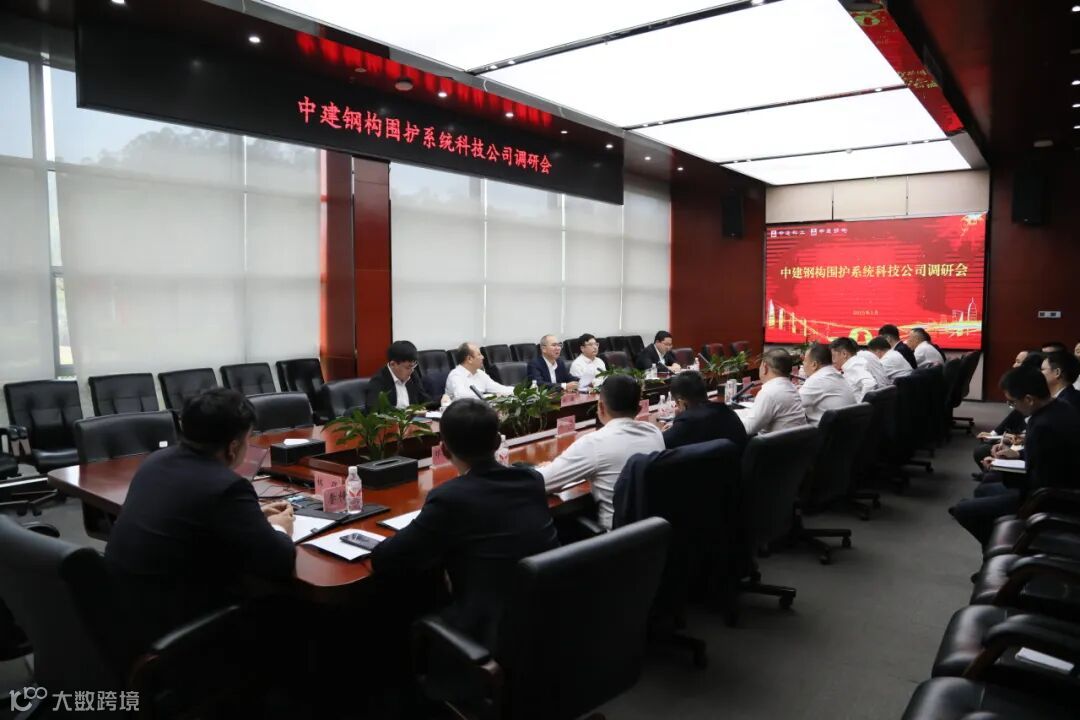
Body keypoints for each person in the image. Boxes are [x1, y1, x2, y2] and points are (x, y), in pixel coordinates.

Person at [105, 388, 296, 655]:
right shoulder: (227, 486)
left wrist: (250, 518)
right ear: (233, 447)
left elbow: (193, 518)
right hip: (177, 630)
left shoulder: (155, 462)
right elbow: (279, 562)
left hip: (120, 614)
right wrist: (279, 527)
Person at [371, 399, 558, 648]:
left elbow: (388, 559)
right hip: (547, 614)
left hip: (495, 632)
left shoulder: (450, 498)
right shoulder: (530, 479)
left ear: (444, 449)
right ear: (497, 442)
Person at [950, 367, 1080, 545]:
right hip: (1056, 487)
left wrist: (1002, 469)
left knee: (964, 510)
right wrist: (1015, 454)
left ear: (1029, 399)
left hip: (1050, 499)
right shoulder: (1060, 407)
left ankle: (1006, 547)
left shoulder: (1042, 425)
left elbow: (1040, 482)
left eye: (1012, 402)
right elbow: (1047, 454)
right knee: (983, 490)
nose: (1012, 407)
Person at [538, 375, 664, 529]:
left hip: (614, 538)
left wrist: (547, 468)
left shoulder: (594, 442)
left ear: (601, 406)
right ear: (638, 409)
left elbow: (543, 482)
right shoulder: (654, 432)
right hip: (655, 530)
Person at [663, 370, 747, 450]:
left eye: (677, 404)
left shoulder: (685, 424)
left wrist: (661, 434)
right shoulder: (728, 412)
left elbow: (660, 445)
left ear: (681, 403)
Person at [740, 348, 807, 436]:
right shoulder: (792, 387)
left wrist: (734, 419)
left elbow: (749, 428)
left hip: (775, 443)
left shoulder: (768, 392)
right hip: (796, 442)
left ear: (765, 367)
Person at [364, 340, 436, 410]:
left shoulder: (413, 375)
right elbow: (373, 409)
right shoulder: (379, 380)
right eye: (408, 367)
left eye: (413, 366)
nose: (411, 370)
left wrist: (439, 401)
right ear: (393, 364)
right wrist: (402, 413)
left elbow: (424, 400)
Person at [799, 342, 857, 426]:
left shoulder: (818, 379)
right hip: (846, 430)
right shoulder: (835, 374)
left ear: (814, 365)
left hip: (826, 432)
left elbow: (792, 404)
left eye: (804, 361)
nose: (803, 364)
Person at [445, 342, 514, 401]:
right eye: (479, 354)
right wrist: (493, 396)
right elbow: (462, 397)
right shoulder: (455, 375)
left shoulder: (480, 373)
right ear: (469, 359)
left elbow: (498, 388)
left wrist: (517, 390)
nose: (483, 357)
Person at [830, 337, 880, 402]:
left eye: (833, 356)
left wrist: (861, 405)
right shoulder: (856, 362)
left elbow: (870, 384)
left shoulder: (854, 365)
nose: (832, 360)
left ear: (844, 354)